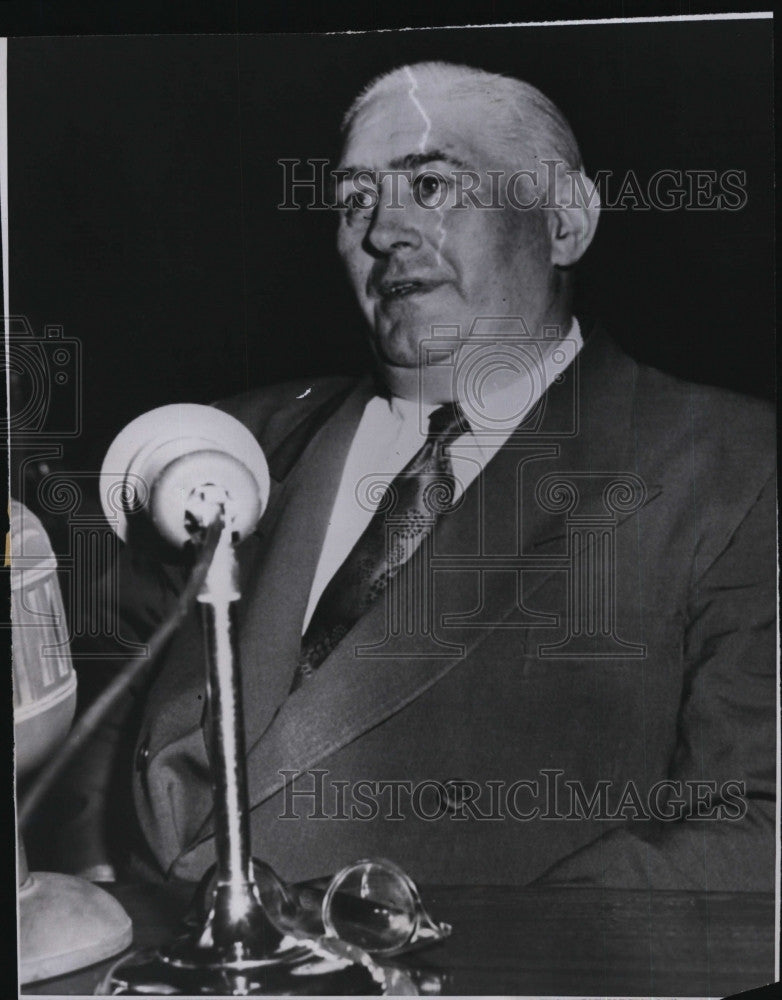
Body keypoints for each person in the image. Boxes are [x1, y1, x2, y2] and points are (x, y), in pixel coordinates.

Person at [79, 62, 777, 892]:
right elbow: (88, 710)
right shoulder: (225, 445)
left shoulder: (730, 463)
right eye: (354, 201)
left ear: (565, 221)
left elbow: (755, 831)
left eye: (435, 185)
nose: (384, 233)